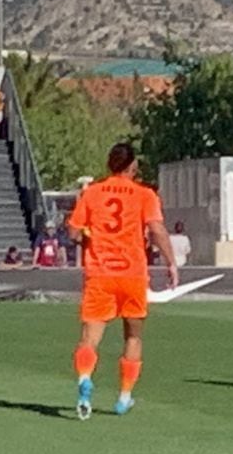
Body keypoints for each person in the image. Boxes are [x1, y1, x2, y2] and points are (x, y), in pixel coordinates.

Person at [66, 142, 178, 420]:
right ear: (133, 167)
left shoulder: (91, 193)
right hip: (132, 273)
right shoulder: (144, 194)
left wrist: (91, 238)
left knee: (90, 338)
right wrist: (171, 262)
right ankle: (124, 397)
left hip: (100, 273)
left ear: (109, 164)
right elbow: (157, 229)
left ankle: (84, 378)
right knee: (133, 335)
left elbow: (72, 232)